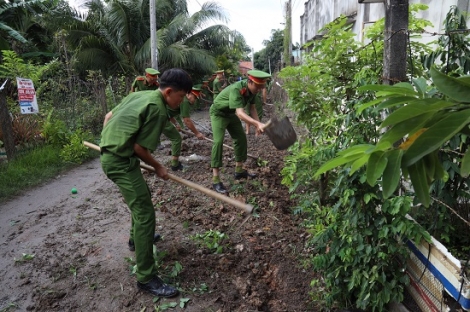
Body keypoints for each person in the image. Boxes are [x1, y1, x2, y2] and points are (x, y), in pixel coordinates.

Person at [100, 68, 192, 298]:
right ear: (169, 91)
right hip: (120, 162)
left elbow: (108, 117)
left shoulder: (140, 95)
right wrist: (160, 167)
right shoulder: (158, 109)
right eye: (181, 97)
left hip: (117, 156)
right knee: (145, 213)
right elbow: (139, 148)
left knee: (142, 200)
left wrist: (108, 142)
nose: (181, 102)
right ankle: (146, 278)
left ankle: (135, 239)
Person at [209, 69, 271, 194]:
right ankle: (216, 179)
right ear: (250, 82)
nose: (259, 89)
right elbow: (240, 113)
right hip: (218, 114)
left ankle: (239, 170)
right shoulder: (237, 89)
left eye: (261, 87)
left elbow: (252, 108)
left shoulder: (253, 91)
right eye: (258, 87)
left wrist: (257, 125)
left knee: (241, 138)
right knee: (218, 142)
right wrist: (257, 123)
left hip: (231, 113)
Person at [158, 86, 205, 170]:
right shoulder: (185, 101)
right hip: (161, 117)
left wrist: (175, 124)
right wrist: (197, 133)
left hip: (163, 116)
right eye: (194, 97)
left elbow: (169, 112)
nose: (194, 101)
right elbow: (187, 120)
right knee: (176, 139)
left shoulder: (183, 100)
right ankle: (175, 165)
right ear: (189, 94)